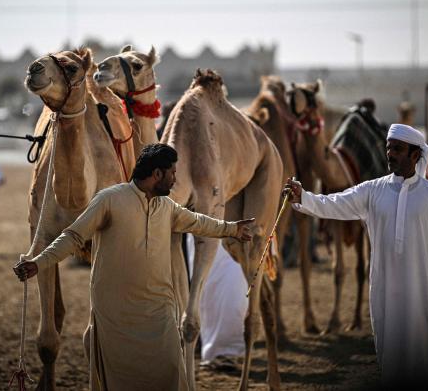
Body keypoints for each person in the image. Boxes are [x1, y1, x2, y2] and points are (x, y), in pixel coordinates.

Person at [13, 143, 255, 391]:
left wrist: (232, 229)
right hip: (115, 315)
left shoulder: (167, 207)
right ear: (157, 174)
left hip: (159, 312)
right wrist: (39, 263)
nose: (175, 179)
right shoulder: (109, 200)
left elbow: (198, 223)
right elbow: (73, 237)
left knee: (171, 371)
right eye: (172, 173)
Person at [284, 123, 428, 386]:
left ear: (415, 155)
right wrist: (302, 197)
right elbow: (334, 204)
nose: (390, 154)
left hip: (423, 292)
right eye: (388, 148)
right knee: (390, 363)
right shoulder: (372, 190)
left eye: (398, 149)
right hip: (386, 292)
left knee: (422, 362)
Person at [185, 235, 247, 370]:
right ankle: (212, 346)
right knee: (206, 284)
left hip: (239, 228)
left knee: (235, 282)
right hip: (204, 226)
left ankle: (229, 349)